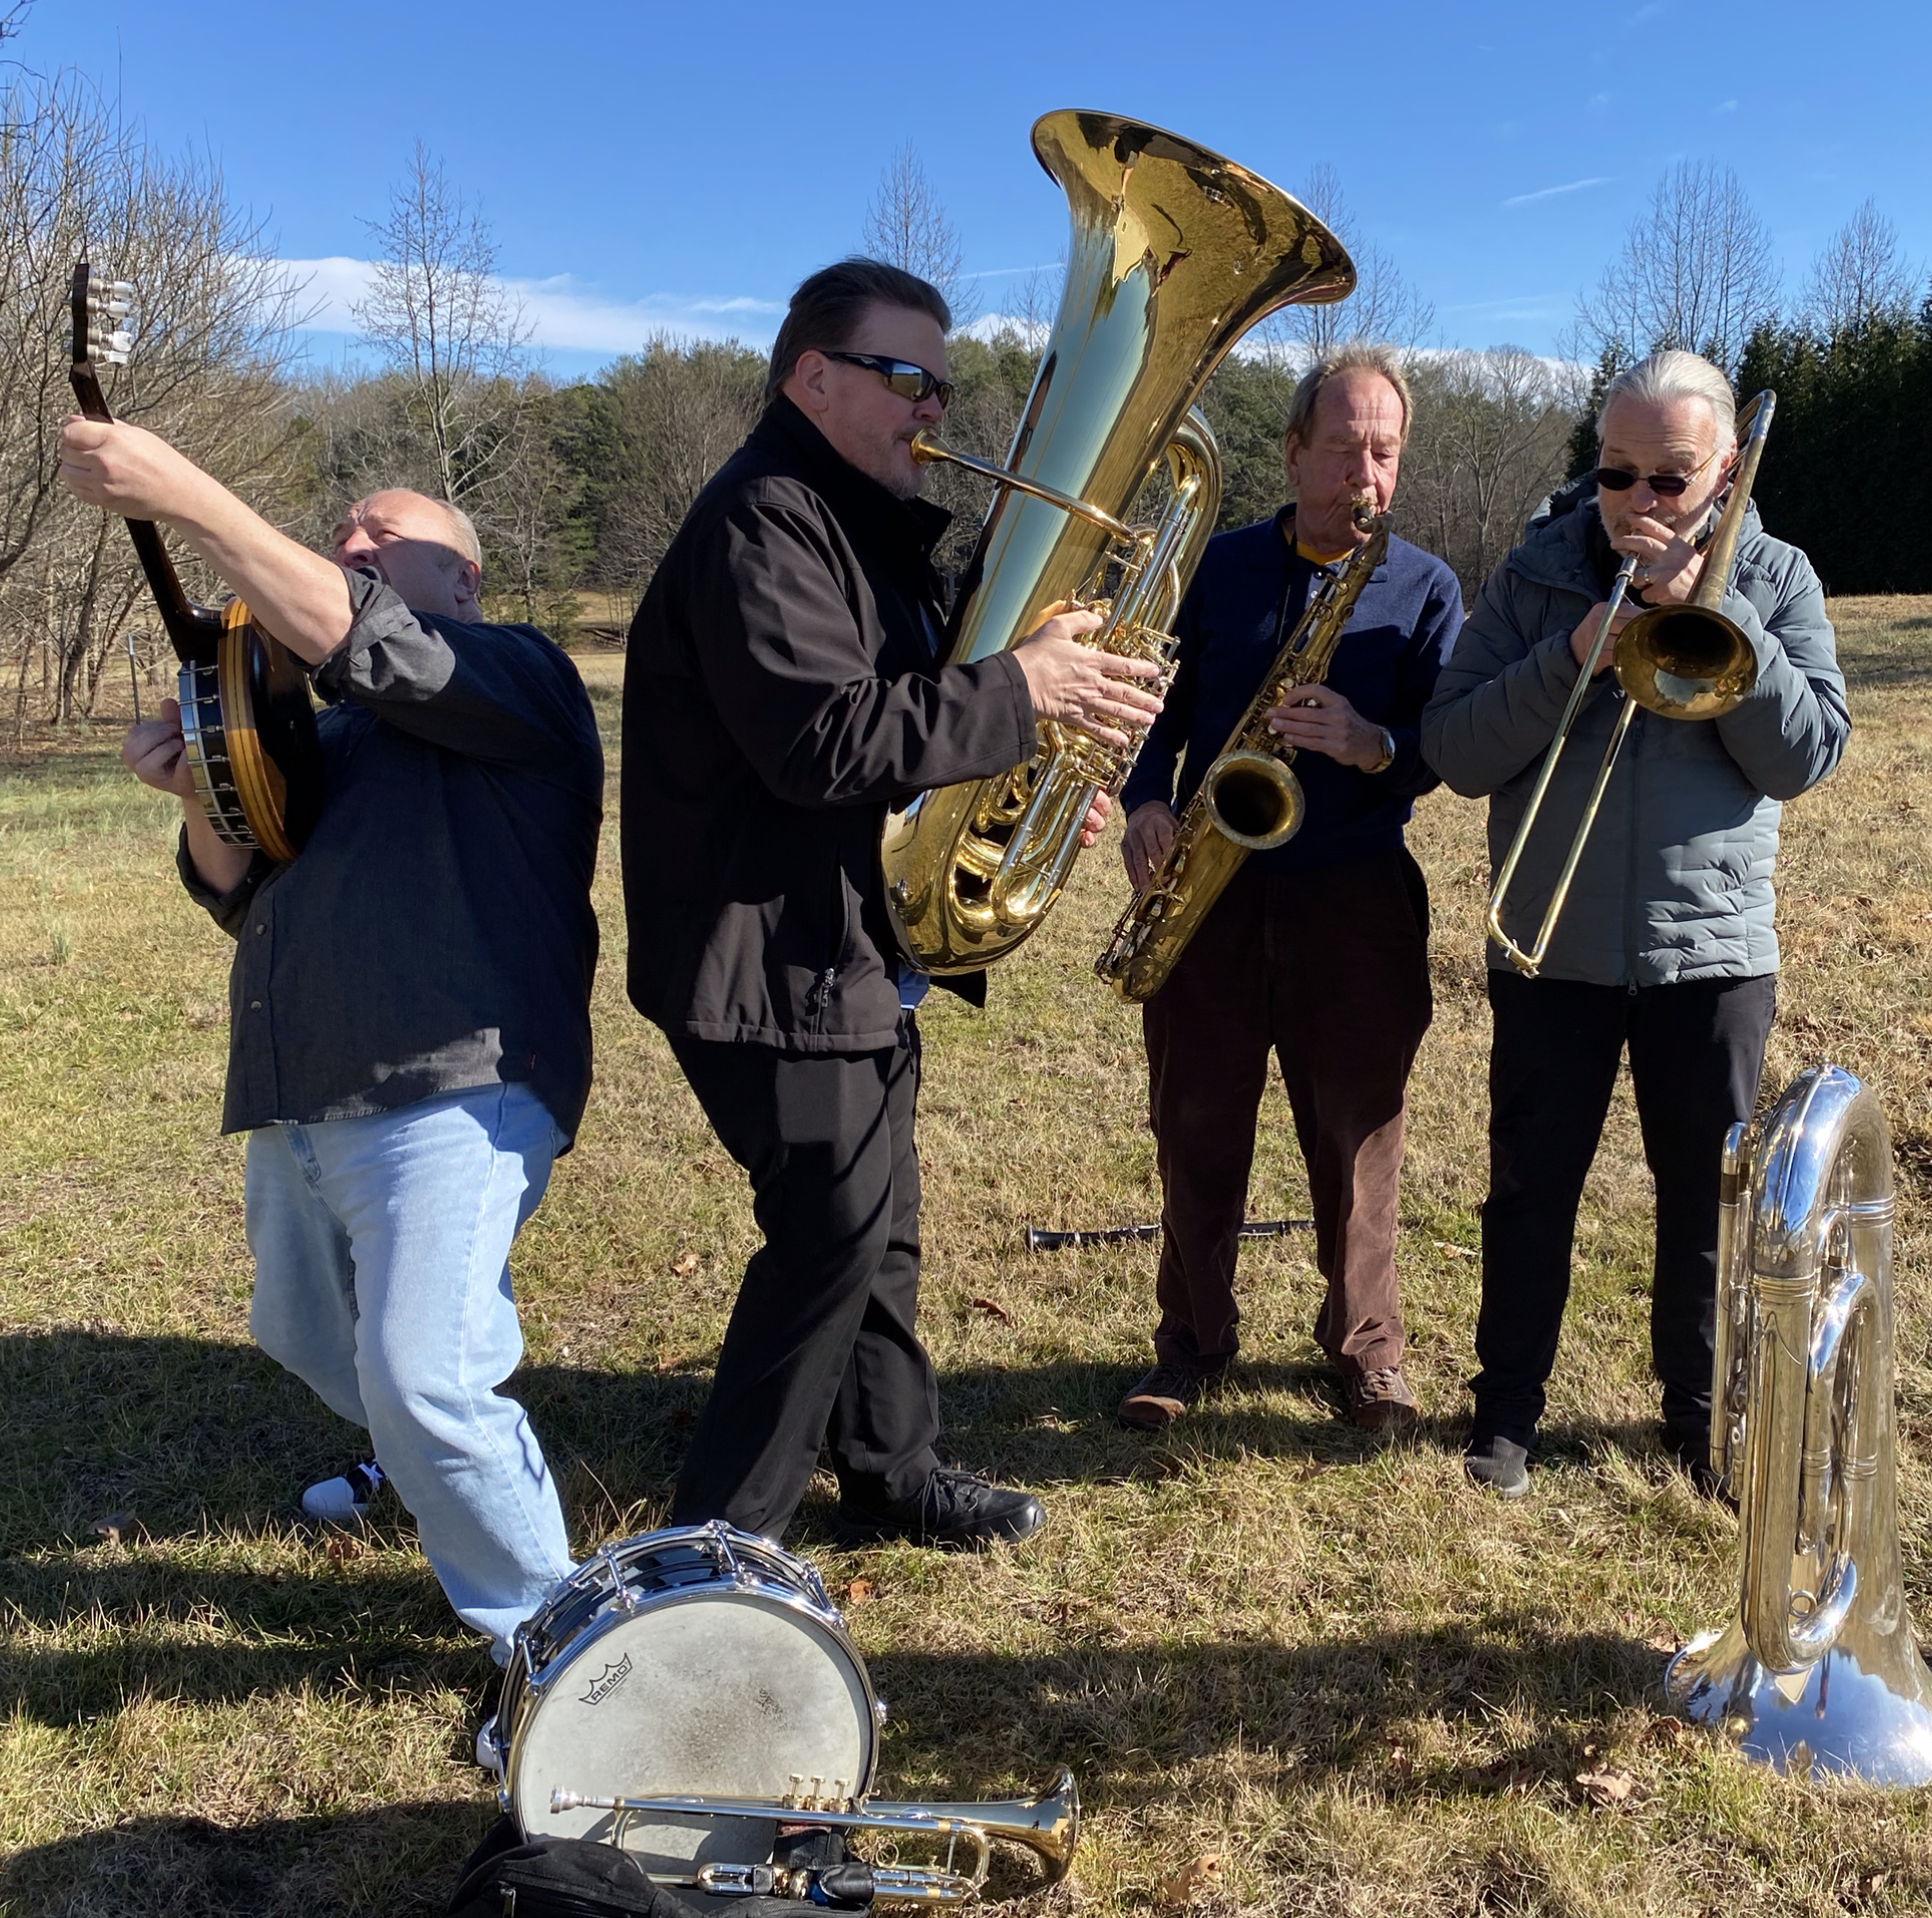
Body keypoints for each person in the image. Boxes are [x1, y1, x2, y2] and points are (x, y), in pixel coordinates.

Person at [622, 257, 1161, 1547]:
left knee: (880, 1221)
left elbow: (917, 731)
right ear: (812, 375)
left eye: (943, 381)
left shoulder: (853, 524)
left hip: (839, 945)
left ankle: (890, 1466)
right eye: (905, 377)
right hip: (770, 960)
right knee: (828, 1235)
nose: (935, 406)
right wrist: (1021, 690)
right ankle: (718, 1549)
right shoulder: (765, 520)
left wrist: (1040, 769)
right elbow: (823, 738)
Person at [59, 419, 601, 1658]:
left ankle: (559, 1649)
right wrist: (201, 795)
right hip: (303, 1085)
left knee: (424, 1374)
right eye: (341, 532)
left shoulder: (513, 673)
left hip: (453, 1077)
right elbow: (244, 896)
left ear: (459, 575)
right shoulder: (317, 729)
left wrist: (188, 496)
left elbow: (370, 640)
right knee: (306, 1337)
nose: (350, 543)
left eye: (381, 534)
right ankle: (424, 1468)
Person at [1421, 349, 1849, 1498]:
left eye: (1671, 479)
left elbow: (1804, 755)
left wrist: (1723, 628)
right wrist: (1569, 656)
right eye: (1617, 476)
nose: (1639, 506)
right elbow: (1454, 751)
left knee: (1701, 1201)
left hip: (1708, 956)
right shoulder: (1534, 575)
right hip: (1549, 947)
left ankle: (1698, 1421)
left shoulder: (1774, 574)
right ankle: (1504, 1415)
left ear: (1723, 472)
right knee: (1527, 1191)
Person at [1113, 344, 1463, 1435]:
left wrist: (1369, 744)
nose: (1367, 473)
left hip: (1355, 893)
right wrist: (1140, 801)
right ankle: (1190, 1342)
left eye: (1385, 452)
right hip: (1209, 891)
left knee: (1358, 1132)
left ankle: (1365, 1353)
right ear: (1292, 451)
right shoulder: (1213, 568)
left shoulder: (1425, 587)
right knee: (1194, 1121)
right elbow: (1146, 710)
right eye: (1345, 447)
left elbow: (1442, 743)